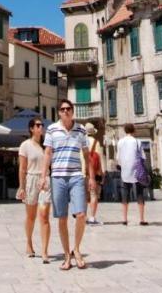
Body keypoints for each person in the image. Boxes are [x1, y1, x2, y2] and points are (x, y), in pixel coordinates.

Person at [40, 98, 92, 270]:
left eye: (68, 108)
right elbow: (47, 153)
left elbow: (86, 155)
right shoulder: (52, 129)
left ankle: (76, 249)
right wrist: (43, 175)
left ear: (72, 111)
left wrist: (90, 177)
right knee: (61, 218)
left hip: (76, 176)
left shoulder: (81, 130)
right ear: (59, 113)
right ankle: (67, 256)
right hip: (58, 177)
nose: (66, 111)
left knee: (81, 214)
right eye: (62, 109)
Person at [16, 117, 52, 262]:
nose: (41, 127)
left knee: (44, 216)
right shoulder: (25, 145)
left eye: (42, 125)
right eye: (38, 125)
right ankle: (29, 242)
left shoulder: (47, 145)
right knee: (31, 217)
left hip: (45, 181)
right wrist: (21, 186)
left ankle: (44, 251)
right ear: (31, 128)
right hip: (31, 179)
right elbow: (22, 168)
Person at [116, 123, 147, 226]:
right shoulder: (137, 142)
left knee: (125, 194)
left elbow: (118, 158)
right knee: (139, 194)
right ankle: (142, 219)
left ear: (125, 130)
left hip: (125, 171)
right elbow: (143, 157)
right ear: (134, 130)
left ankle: (124, 219)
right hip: (137, 171)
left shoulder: (120, 142)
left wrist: (123, 165)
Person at [84, 122, 104, 225]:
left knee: (84, 196)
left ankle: (83, 217)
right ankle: (92, 217)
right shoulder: (96, 143)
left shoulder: (81, 142)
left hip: (82, 173)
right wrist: (102, 173)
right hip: (94, 173)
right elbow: (99, 159)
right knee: (93, 195)